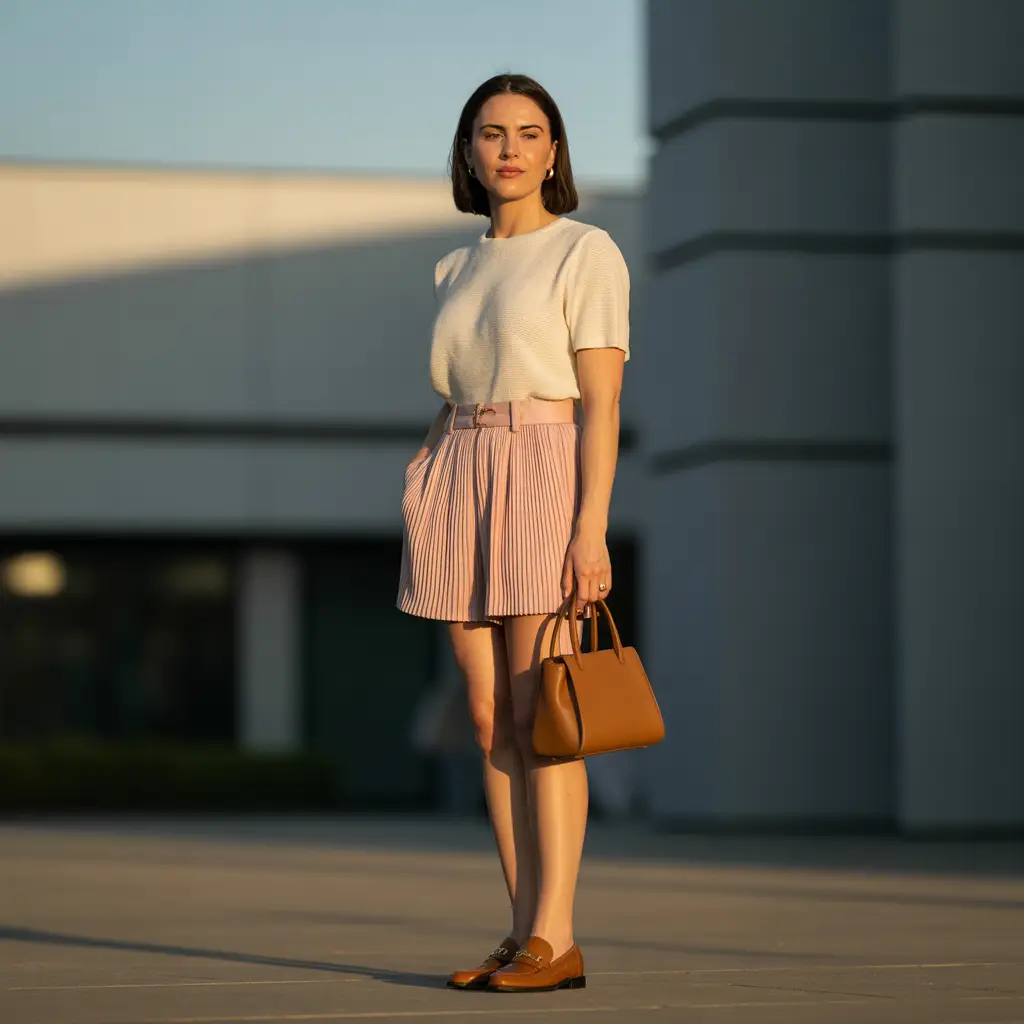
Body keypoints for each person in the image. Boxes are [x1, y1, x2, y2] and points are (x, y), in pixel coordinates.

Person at [396, 72, 629, 994]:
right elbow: (452, 389)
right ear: (467, 152)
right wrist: (422, 482)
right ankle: (521, 928)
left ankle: (558, 937)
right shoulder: (454, 267)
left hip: (544, 465)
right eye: (491, 134)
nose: (510, 150)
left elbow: (602, 403)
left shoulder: (586, 251)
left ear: (555, 152)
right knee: (490, 717)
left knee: (545, 716)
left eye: (530, 134)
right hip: (458, 468)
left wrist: (590, 528)